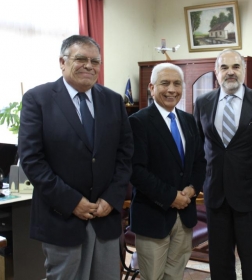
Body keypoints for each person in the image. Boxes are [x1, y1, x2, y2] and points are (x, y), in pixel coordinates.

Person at [18, 35, 134, 280]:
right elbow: (31, 160)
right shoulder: (38, 99)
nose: (89, 66)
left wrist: (111, 199)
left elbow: (125, 156)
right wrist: (72, 202)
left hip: (105, 217)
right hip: (61, 218)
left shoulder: (113, 101)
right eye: (81, 59)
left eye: (95, 61)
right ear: (62, 61)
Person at [193, 49, 252, 279]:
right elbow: (199, 146)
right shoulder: (203, 102)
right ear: (216, 72)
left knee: (251, 259)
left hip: (250, 196)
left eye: (236, 67)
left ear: (244, 71)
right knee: (219, 259)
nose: (230, 72)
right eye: (224, 67)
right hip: (215, 194)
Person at [129, 62, 206, 280]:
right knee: (153, 276)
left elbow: (200, 162)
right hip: (153, 216)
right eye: (164, 83)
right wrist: (171, 197)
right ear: (151, 88)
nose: (171, 89)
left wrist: (191, 189)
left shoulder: (189, 120)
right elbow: (136, 171)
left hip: (185, 216)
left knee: (175, 276)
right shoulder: (138, 122)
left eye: (176, 84)